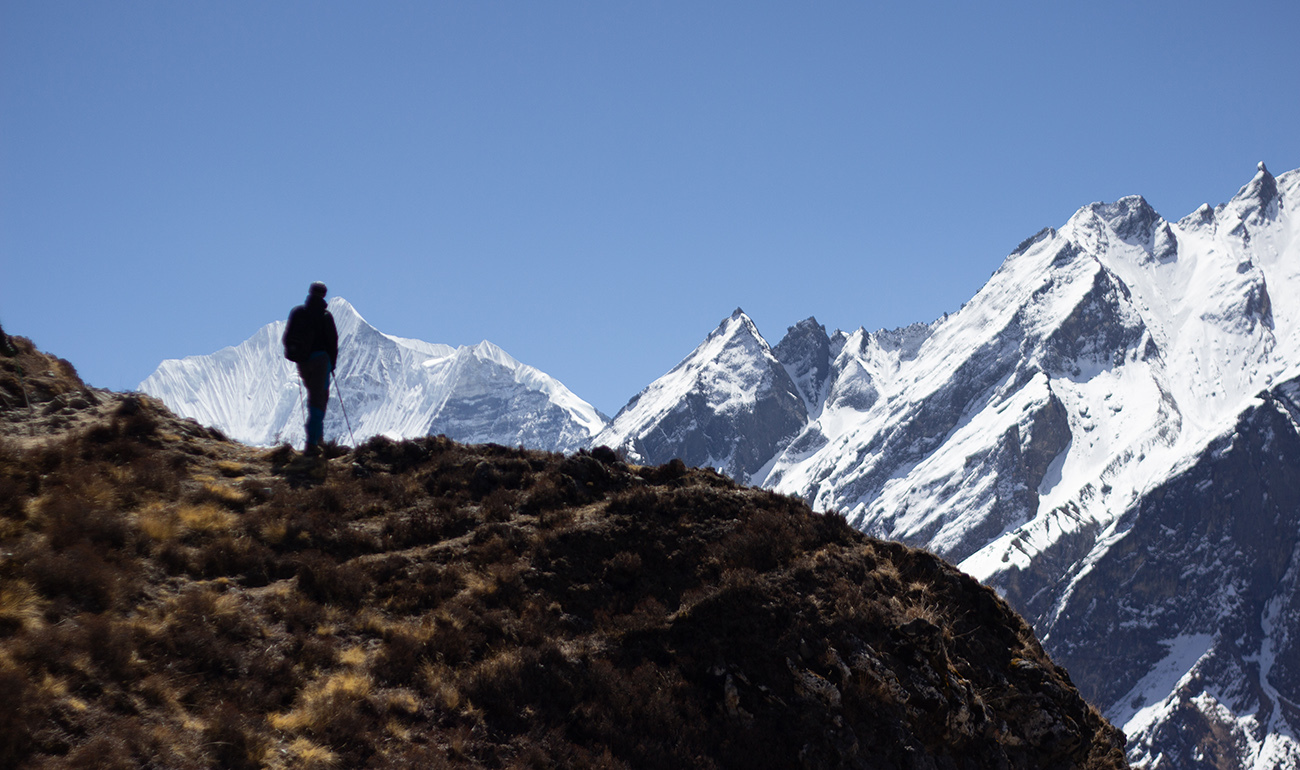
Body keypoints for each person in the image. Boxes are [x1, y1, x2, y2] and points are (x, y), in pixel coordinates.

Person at [282, 282, 339, 455]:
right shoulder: (325, 316)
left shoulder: (297, 312)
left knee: (313, 399)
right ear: (324, 295)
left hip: (303, 363)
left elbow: (287, 338)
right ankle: (312, 444)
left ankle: (317, 440)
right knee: (319, 400)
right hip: (321, 361)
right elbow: (333, 343)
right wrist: (332, 365)